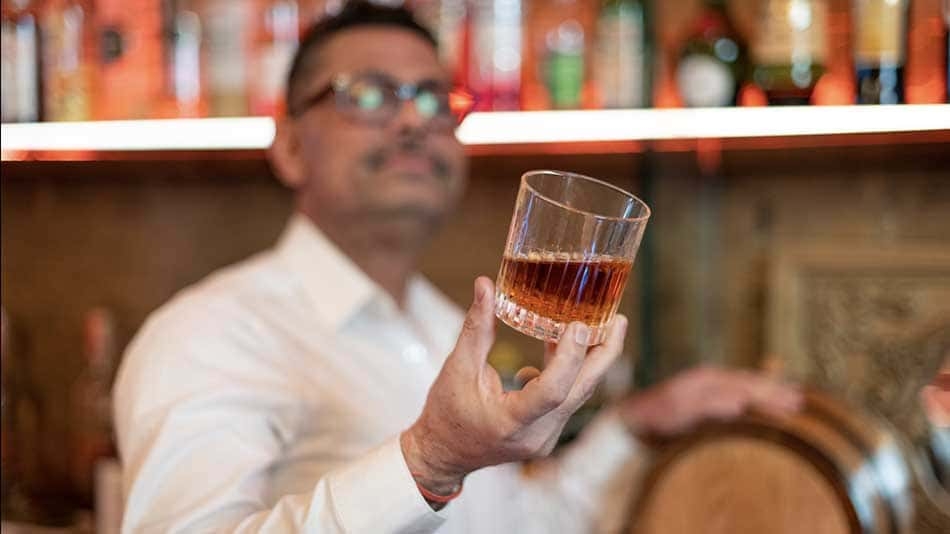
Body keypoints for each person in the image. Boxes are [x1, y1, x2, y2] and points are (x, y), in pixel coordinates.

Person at [113, 3, 802, 532]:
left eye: (436, 100)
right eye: (368, 94)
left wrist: (640, 423)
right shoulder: (210, 335)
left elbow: (512, 525)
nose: (414, 123)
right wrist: (429, 462)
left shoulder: (446, 325)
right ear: (290, 147)